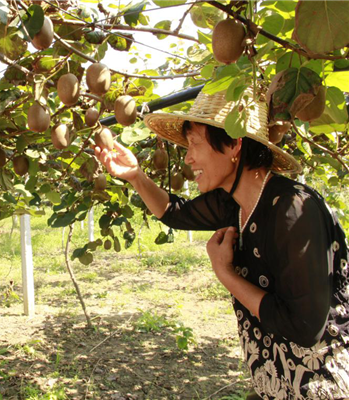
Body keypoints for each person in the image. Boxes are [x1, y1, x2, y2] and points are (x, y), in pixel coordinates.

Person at [95, 88, 349, 399]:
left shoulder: (294, 209)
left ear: (233, 144)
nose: (188, 158)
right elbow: (174, 213)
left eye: (195, 144)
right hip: (274, 384)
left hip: (320, 387)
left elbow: (304, 328)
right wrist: (136, 176)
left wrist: (225, 274)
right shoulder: (233, 203)